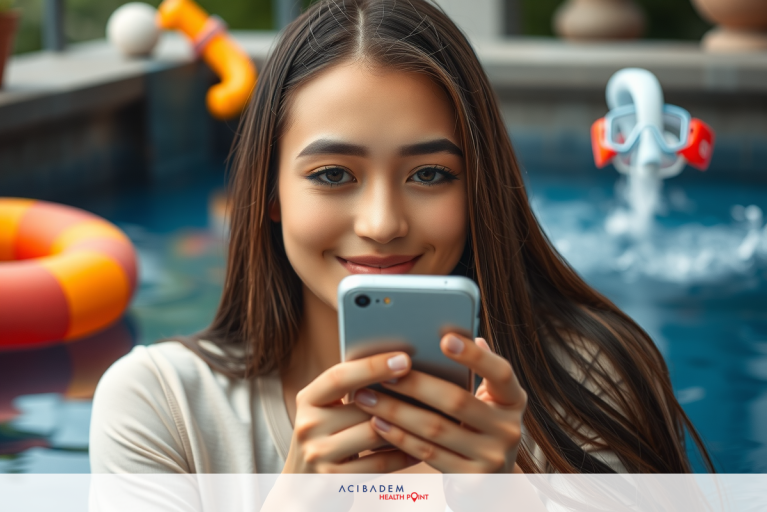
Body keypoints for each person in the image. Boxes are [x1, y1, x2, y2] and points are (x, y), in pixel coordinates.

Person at [90, 0, 714, 475]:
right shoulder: (160, 407)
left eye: (430, 174)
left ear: (478, 190)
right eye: (333, 175)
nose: (383, 223)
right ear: (269, 194)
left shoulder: (595, 380)